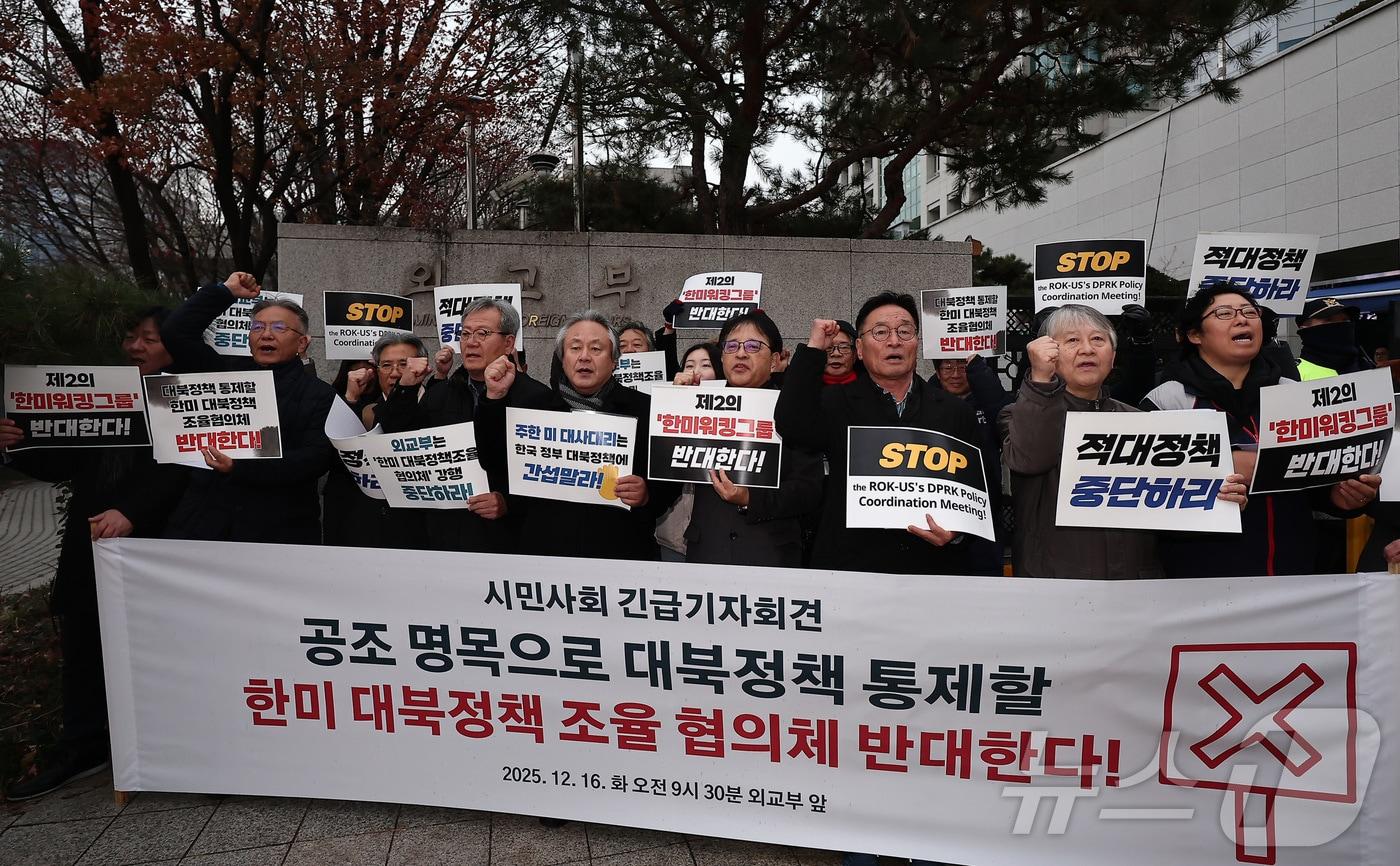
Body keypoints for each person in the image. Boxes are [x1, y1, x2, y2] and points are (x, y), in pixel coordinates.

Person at [2, 308, 186, 800]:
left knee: (161, 648)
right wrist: (16, 445)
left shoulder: (188, 394)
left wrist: (133, 511)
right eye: (131, 337)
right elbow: (64, 460)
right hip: (92, 546)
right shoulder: (105, 393)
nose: (136, 346)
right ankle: (83, 747)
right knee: (84, 649)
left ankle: (169, 745)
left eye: (148, 338)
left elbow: (187, 469)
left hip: (161, 546)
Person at [1141, 286, 1379, 577]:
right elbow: (1145, 498)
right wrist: (1220, 465)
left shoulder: (1295, 395)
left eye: (1250, 312)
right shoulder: (1166, 401)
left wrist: (1342, 498)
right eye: (1224, 313)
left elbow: (1315, 484)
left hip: (1290, 576)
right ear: (1195, 335)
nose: (1241, 319)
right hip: (1199, 581)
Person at [775, 292, 982, 575]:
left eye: (904, 331)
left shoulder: (955, 412)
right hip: (851, 569)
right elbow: (791, 424)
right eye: (881, 332)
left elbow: (981, 494)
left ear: (917, 343)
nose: (894, 341)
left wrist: (958, 533)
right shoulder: (835, 403)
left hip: (931, 570)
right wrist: (813, 349)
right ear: (860, 349)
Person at [478, 311, 678, 560]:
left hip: (621, 554)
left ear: (614, 360)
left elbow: (670, 481)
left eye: (596, 349)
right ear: (562, 359)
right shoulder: (533, 408)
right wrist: (494, 398)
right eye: (575, 348)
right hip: (546, 554)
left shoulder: (646, 409)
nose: (584, 357)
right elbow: (493, 462)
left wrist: (647, 494)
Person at [159, 272, 336, 544]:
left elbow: (315, 459)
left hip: (277, 533)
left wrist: (238, 467)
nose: (266, 334)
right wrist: (224, 292)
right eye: (257, 327)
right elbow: (175, 333)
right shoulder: (224, 374)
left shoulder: (320, 394)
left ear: (302, 343)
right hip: (204, 526)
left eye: (279, 328)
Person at [375, 298, 549, 553]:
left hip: (507, 542)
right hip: (443, 537)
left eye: (483, 333)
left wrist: (508, 501)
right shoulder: (439, 394)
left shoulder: (537, 398)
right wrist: (406, 388)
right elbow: (396, 442)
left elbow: (547, 475)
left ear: (509, 343)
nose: (471, 342)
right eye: (465, 334)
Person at [683, 313, 823, 567]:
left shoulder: (794, 411)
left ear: (775, 360)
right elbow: (665, 477)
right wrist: (675, 402)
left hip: (771, 556)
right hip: (707, 554)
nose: (740, 354)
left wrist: (750, 499)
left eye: (753, 346)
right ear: (722, 356)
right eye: (731, 346)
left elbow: (808, 490)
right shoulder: (695, 405)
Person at [322, 334, 434, 548]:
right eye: (386, 365)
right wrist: (350, 399)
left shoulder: (439, 404)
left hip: (425, 531)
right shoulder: (365, 411)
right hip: (370, 530)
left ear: (422, 365)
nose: (395, 373)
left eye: (404, 364)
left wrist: (406, 390)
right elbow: (335, 462)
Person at [933, 355, 1013, 575]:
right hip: (938, 507)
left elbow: (1009, 424)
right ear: (937, 372)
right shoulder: (926, 402)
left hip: (985, 509)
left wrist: (979, 371)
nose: (955, 374)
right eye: (948, 367)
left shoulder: (990, 402)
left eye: (962, 366)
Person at [656, 343, 724, 562]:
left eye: (706, 365)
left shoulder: (733, 415)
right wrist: (674, 399)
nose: (695, 372)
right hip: (672, 535)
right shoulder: (666, 410)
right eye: (689, 365)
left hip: (715, 537)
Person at [1295, 297, 1371, 379]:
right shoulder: (1295, 373)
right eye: (1329, 320)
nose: (1341, 326)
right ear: (1305, 329)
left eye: (1345, 320)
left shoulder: (1367, 367)